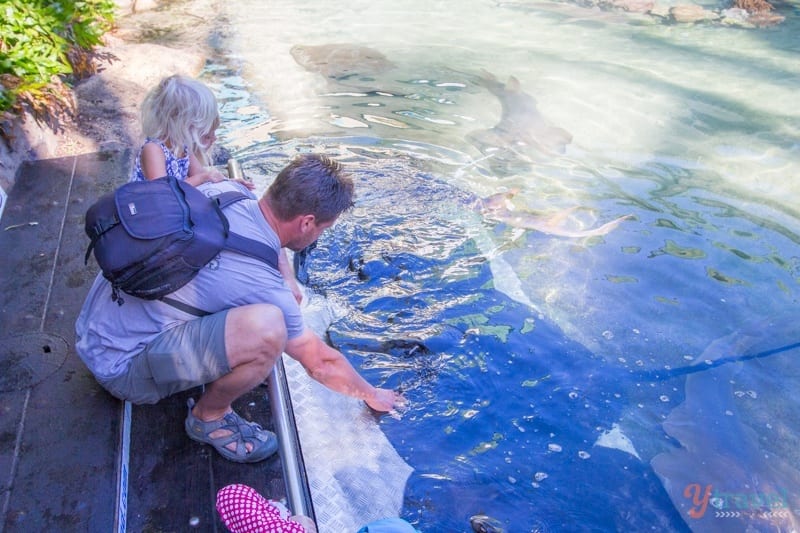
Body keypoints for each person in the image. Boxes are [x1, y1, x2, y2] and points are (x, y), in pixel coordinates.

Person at [75, 154, 403, 463]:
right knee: (269, 330)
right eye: (322, 229)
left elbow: (265, 245)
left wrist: (287, 276)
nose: (319, 236)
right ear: (306, 223)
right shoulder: (264, 288)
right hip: (121, 368)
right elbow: (321, 363)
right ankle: (209, 418)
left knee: (263, 319)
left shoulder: (228, 190)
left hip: (96, 327)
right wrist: (371, 393)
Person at [130, 74, 302, 302]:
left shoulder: (183, 148)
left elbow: (203, 178)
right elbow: (162, 195)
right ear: (186, 125)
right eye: (207, 133)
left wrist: (231, 185)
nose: (213, 138)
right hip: (149, 220)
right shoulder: (153, 150)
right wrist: (204, 179)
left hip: (172, 213)